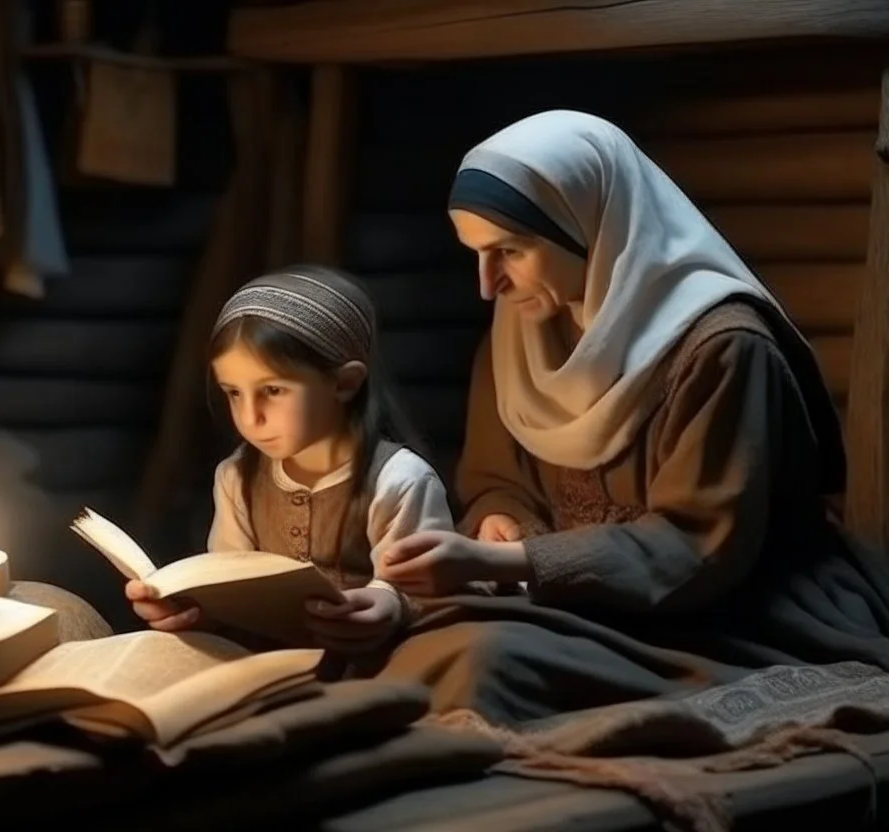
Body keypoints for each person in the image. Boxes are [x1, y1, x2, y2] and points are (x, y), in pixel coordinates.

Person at [375, 109, 889, 726]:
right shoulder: (519, 335)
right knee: (413, 646)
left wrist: (509, 564)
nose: (489, 285)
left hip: (727, 610)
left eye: (508, 251)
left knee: (484, 663)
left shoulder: (724, 348)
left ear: (590, 226)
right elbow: (494, 481)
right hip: (578, 599)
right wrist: (500, 523)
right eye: (477, 254)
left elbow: (696, 542)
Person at [126, 265, 455, 656]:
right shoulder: (237, 477)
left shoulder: (399, 481)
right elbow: (230, 583)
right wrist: (192, 610)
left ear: (344, 383)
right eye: (233, 392)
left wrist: (390, 603)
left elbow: (431, 588)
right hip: (266, 660)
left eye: (273, 389)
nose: (250, 417)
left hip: (378, 659)